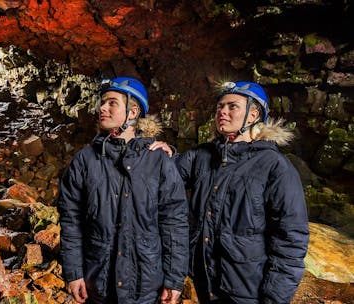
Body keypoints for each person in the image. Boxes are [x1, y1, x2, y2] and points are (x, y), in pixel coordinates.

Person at [157, 81, 309, 303]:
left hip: (247, 290)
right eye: (220, 106)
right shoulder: (203, 156)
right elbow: (168, 175)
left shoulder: (274, 166)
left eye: (232, 106)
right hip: (206, 282)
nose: (222, 112)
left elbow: (291, 240)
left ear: (252, 115)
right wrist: (164, 152)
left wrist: (275, 298)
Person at [57, 77, 189, 304]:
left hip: (146, 285)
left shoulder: (158, 161)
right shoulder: (85, 160)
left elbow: (174, 223)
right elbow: (71, 221)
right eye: (102, 102)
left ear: (132, 112)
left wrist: (174, 278)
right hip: (98, 282)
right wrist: (73, 272)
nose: (102, 108)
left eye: (111, 103)